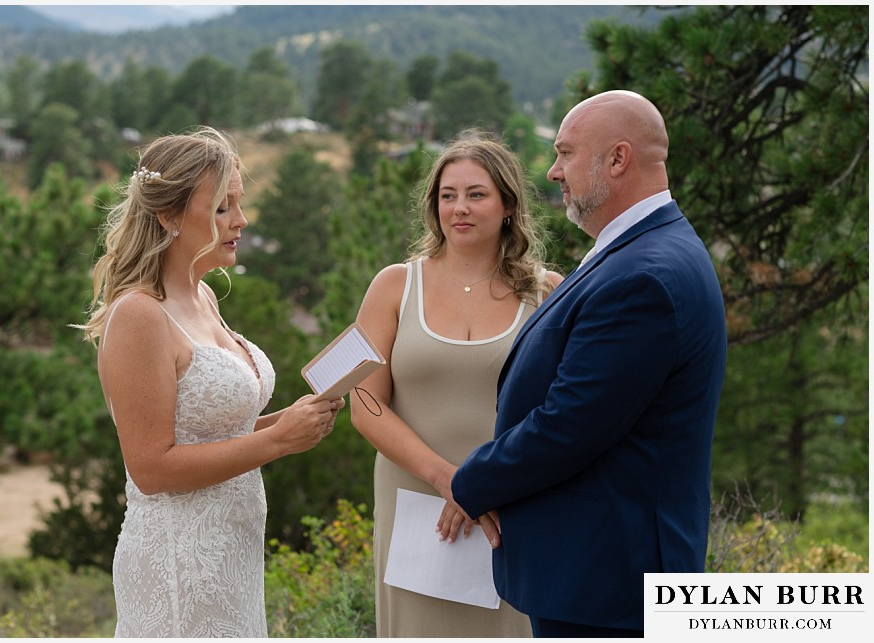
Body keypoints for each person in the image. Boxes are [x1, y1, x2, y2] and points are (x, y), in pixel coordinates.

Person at [449, 90, 728, 637]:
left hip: (607, 584)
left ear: (618, 159)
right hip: (595, 569)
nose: (553, 172)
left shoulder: (644, 275)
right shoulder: (641, 249)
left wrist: (470, 482)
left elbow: (570, 425)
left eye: (565, 153)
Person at [78, 127, 344, 637]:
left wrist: (286, 421)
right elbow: (151, 467)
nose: (240, 220)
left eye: (238, 204)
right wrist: (277, 441)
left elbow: (209, 431)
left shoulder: (203, 297)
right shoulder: (139, 314)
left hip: (232, 556)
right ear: (169, 215)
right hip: (178, 563)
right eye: (222, 207)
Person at [351, 129, 563, 637]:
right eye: (448, 196)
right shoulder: (393, 286)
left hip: (510, 507)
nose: (459, 208)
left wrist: (490, 486)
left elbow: (560, 411)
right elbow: (364, 403)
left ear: (508, 205)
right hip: (412, 500)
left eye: (476, 194)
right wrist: (450, 480)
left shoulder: (549, 293)